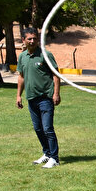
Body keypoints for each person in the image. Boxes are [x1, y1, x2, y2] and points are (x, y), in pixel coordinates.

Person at [16, 28, 61, 168]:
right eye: (29, 38)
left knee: (47, 128)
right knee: (38, 129)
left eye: (35, 38)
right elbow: (21, 77)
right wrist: (18, 95)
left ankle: (54, 158)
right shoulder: (22, 57)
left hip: (45, 97)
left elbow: (56, 75)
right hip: (31, 98)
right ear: (23, 40)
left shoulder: (45, 55)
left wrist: (56, 93)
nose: (32, 41)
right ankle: (47, 154)